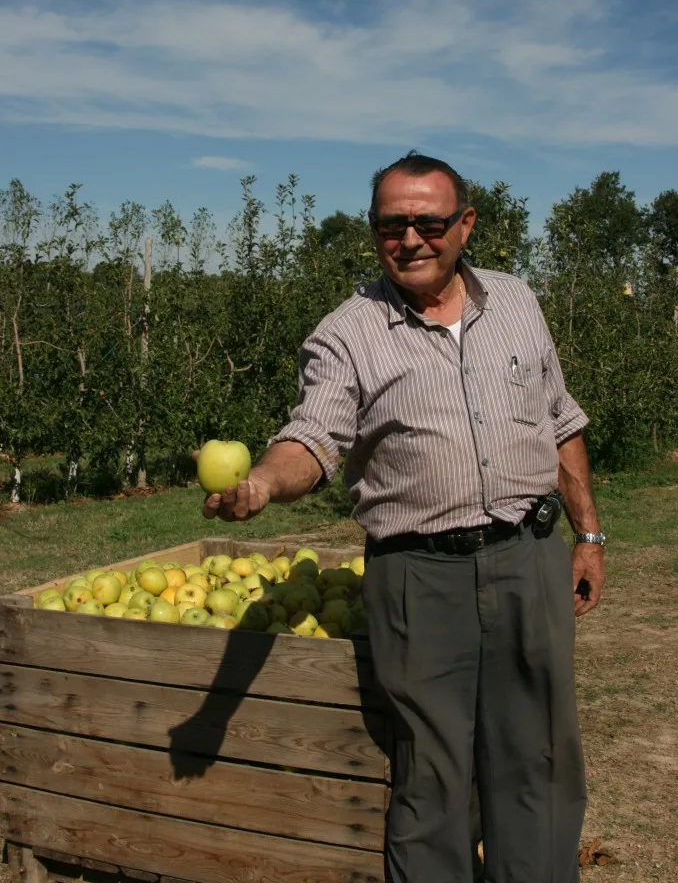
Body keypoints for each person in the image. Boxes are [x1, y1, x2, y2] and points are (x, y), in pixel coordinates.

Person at [201, 151, 606, 883]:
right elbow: (312, 437)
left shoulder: (517, 301)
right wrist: (262, 483)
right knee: (432, 775)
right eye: (392, 224)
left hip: (529, 555)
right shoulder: (347, 333)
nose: (411, 238)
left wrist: (589, 535)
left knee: (538, 758)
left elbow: (559, 422)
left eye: (429, 221)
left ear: (466, 225)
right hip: (420, 577)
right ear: (373, 231)